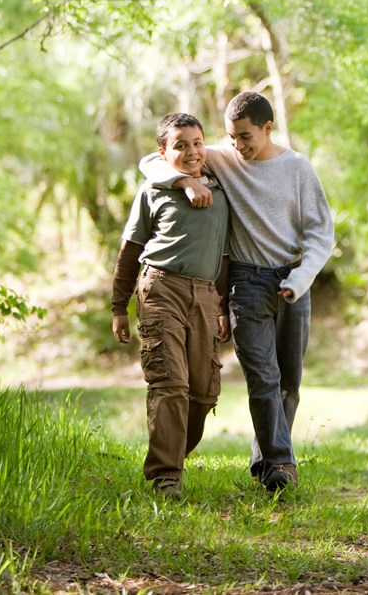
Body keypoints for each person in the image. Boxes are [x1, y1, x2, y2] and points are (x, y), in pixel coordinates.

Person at [140, 92, 334, 494]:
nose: (237, 146)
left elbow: (321, 233)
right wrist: (185, 180)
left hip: (293, 280)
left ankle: (265, 461)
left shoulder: (297, 168)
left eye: (245, 137)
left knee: (288, 384)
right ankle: (282, 462)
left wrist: (300, 279)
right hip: (246, 281)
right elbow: (154, 160)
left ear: (267, 128)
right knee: (262, 376)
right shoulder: (224, 158)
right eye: (230, 137)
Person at [112, 112, 231, 499]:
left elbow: (225, 257)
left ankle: (173, 456)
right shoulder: (153, 191)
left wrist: (221, 306)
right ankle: (167, 477)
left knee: (203, 392)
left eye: (197, 143)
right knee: (170, 383)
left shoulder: (222, 189)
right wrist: (118, 307)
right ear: (164, 152)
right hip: (161, 288)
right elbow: (129, 251)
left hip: (205, 294)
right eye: (180, 145)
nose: (192, 151)